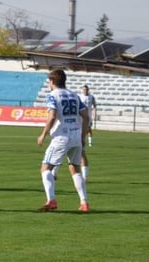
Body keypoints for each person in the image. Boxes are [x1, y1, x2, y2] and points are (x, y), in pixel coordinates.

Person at [37, 69, 89, 213]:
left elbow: (52, 116)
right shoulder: (74, 95)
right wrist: (82, 136)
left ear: (52, 81)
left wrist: (43, 134)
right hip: (76, 136)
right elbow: (86, 116)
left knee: (45, 169)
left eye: (49, 81)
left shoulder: (52, 96)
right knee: (75, 169)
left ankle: (51, 200)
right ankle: (84, 202)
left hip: (61, 137)